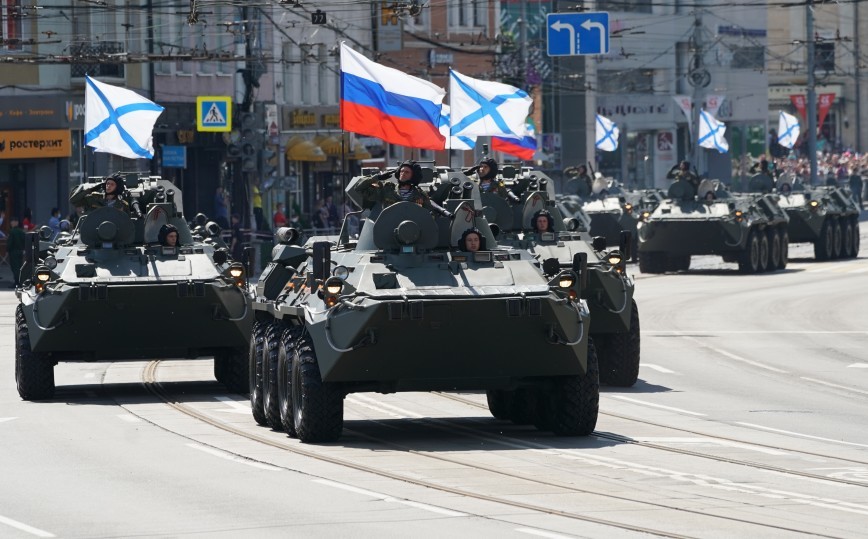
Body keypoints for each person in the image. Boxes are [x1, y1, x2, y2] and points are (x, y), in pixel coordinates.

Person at [355, 160, 451, 217]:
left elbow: (432, 214)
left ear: (413, 176)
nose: (402, 174)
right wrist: (377, 177)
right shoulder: (387, 189)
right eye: (401, 171)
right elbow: (359, 188)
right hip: (388, 229)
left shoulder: (420, 195)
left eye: (407, 172)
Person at [7, 215, 24, 288]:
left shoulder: (12, 231)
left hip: (13, 252)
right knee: (20, 267)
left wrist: (7, 250)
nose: (12, 223)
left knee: (15, 268)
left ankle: (17, 282)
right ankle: (21, 281)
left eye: (12, 222)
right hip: (20, 251)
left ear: (16, 222)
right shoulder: (21, 231)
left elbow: (10, 243)